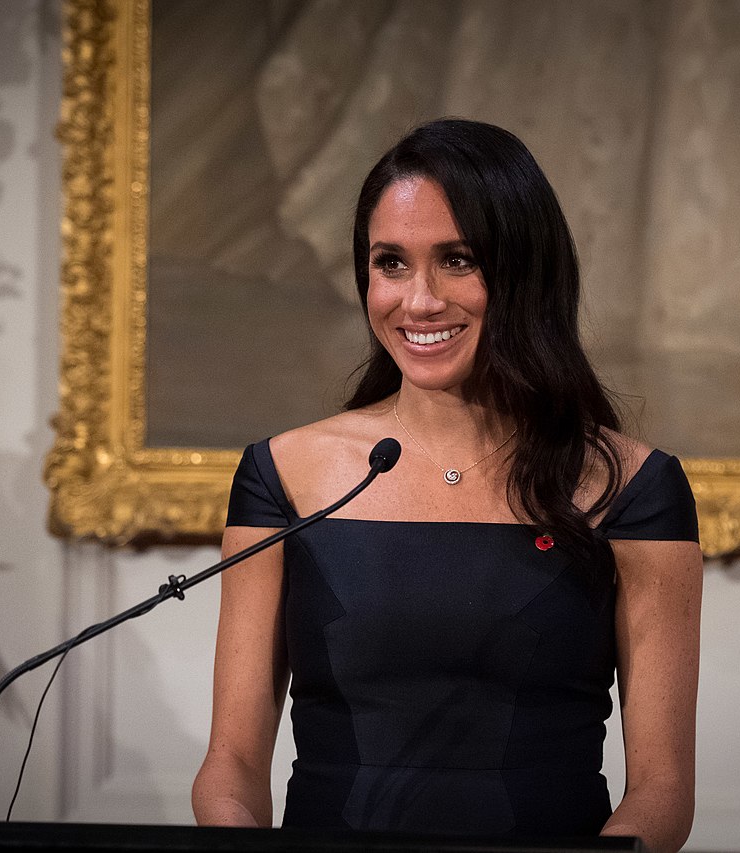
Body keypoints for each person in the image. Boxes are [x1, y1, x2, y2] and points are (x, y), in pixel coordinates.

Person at [191, 119, 702, 853]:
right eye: (390, 263)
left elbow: (662, 791)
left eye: (457, 260)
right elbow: (231, 763)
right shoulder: (285, 475)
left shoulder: (636, 487)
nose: (419, 300)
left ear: (525, 272)